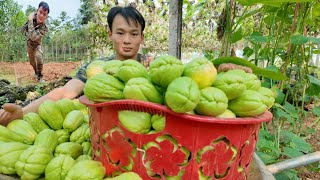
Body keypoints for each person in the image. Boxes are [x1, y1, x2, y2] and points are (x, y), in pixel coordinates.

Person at [0, 5, 250, 126]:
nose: (127, 40)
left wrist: (220, 70)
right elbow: (64, 93)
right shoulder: (96, 68)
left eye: (134, 33)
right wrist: (24, 112)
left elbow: (189, 76)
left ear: (142, 36)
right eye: (120, 33)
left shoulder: (153, 65)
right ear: (110, 34)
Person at [22, 1, 50, 82]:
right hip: (29, 45)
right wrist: (30, 20)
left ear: (46, 17)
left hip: (37, 45)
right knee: (32, 62)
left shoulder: (44, 28)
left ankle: (40, 76)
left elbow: (33, 37)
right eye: (40, 12)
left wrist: (30, 20)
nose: (41, 15)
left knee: (39, 58)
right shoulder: (33, 18)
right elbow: (27, 31)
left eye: (44, 14)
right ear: (37, 11)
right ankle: (36, 73)